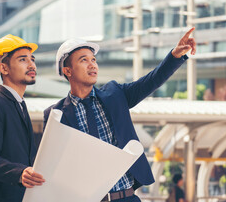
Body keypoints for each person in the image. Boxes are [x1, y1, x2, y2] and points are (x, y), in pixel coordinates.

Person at [44, 27, 196, 202]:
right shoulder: (56, 114)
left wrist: (175, 55)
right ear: (68, 71)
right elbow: (54, 165)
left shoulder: (114, 94)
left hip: (125, 197)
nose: (92, 64)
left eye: (93, 59)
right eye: (83, 60)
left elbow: (151, 81)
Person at [0, 35, 45, 202]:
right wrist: (19, 173)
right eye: (22, 59)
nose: (31, 64)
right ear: (3, 68)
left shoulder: (19, 105)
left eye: (32, 59)